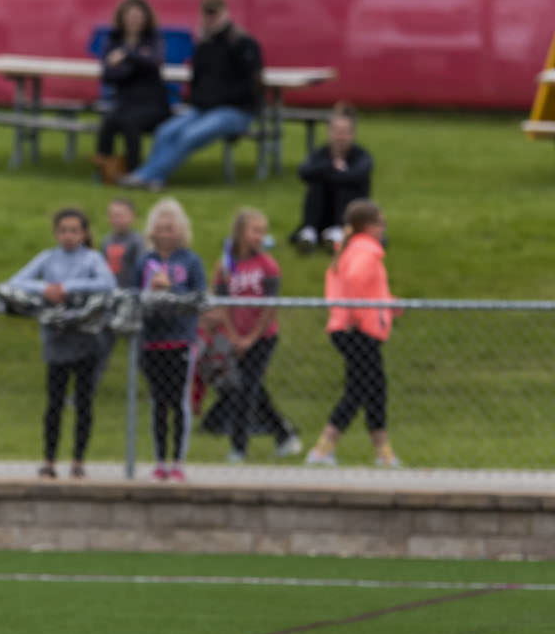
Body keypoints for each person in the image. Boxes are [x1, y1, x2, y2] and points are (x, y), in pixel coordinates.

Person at [6, 208, 116, 479]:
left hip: (86, 341)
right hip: (56, 341)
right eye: (63, 231)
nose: (68, 236)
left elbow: (107, 284)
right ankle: (50, 459)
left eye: (74, 231)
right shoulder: (48, 259)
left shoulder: (92, 259)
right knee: (53, 404)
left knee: (83, 402)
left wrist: (68, 288)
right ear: (56, 233)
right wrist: (45, 289)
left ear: (84, 233)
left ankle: (78, 459)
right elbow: (15, 282)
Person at [121, 0, 264, 192]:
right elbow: (197, 80)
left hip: (236, 110)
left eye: (215, 14)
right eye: (207, 14)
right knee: (165, 131)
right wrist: (199, 100)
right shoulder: (203, 44)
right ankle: (149, 176)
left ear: (225, 14)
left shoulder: (242, 43)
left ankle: (151, 176)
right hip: (203, 108)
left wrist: (216, 100)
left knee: (189, 135)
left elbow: (251, 85)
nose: (210, 19)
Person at [305, 199, 401, 468]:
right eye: (381, 223)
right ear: (369, 227)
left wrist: (388, 304)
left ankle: (381, 450)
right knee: (363, 389)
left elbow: (364, 289)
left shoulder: (352, 250)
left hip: (351, 327)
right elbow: (356, 283)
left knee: (373, 388)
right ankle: (324, 447)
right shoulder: (366, 250)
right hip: (359, 330)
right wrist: (359, 317)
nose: (384, 228)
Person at [120, 198, 207, 480]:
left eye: (170, 228)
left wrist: (171, 291)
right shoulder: (145, 261)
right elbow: (132, 296)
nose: (165, 233)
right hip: (151, 340)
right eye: (160, 228)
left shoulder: (191, 261)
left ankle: (178, 462)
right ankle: (160, 460)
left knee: (178, 402)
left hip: (180, 340)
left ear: (180, 231)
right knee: (158, 402)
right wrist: (151, 290)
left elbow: (199, 299)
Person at [212, 208, 301, 462]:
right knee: (254, 391)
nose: (260, 236)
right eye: (255, 231)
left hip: (262, 337)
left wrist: (250, 338)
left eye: (263, 231)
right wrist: (232, 335)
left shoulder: (267, 265)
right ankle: (285, 434)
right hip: (235, 337)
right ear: (240, 233)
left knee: (245, 389)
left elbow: (269, 307)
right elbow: (222, 304)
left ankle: (238, 448)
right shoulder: (226, 265)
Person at [94, 0, 171, 185]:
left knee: (130, 122)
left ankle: (133, 172)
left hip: (152, 104)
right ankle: (106, 172)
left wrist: (127, 56)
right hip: (126, 101)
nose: (134, 20)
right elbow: (108, 74)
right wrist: (133, 63)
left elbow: (153, 63)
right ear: (122, 18)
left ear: (146, 19)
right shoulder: (113, 40)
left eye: (138, 16)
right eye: (130, 16)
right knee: (108, 123)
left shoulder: (153, 40)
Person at [293, 104, 373, 252]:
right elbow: (303, 172)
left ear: (353, 134)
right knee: (317, 183)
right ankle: (309, 231)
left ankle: (339, 231)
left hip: (351, 217)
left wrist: (330, 174)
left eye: (344, 132)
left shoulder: (362, 156)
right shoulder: (321, 154)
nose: (340, 137)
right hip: (322, 212)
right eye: (337, 132)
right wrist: (331, 167)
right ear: (329, 132)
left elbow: (357, 175)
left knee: (342, 185)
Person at [103, 197, 144, 280]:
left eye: (120, 216)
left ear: (132, 216)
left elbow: (141, 267)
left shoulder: (137, 241)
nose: (116, 220)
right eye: (112, 216)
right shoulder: (106, 240)